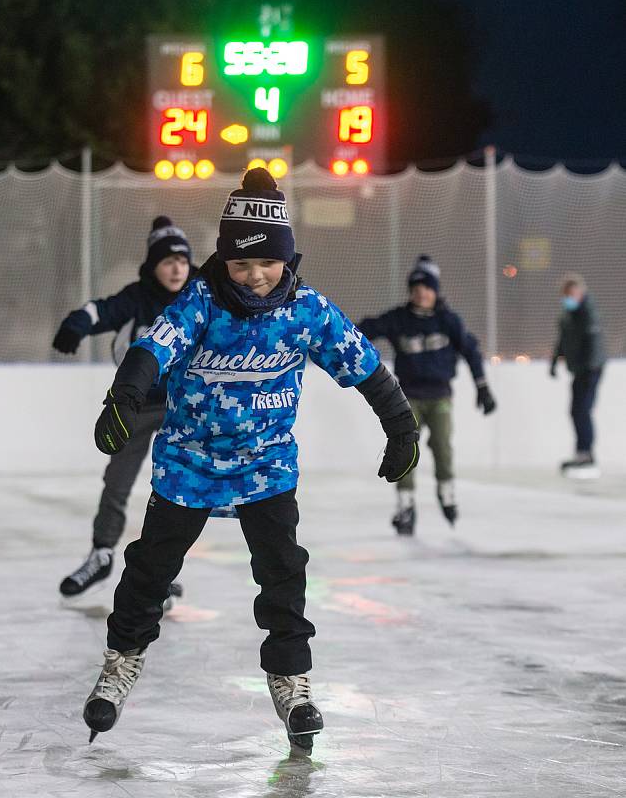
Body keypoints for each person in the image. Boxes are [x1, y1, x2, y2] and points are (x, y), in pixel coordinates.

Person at [81, 167, 420, 753]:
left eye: (267, 263)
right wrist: (124, 396)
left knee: (283, 571)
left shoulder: (306, 310)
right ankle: (121, 661)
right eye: (241, 264)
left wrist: (400, 426)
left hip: (266, 467)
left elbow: (363, 364)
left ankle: (290, 678)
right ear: (225, 262)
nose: (255, 275)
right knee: (150, 570)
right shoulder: (201, 303)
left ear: (287, 260)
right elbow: (151, 348)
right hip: (189, 465)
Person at [52, 216, 195, 601]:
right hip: (136, 405)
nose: (177, 268)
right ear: (153, 266)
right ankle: (101, 553)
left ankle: (158, 570)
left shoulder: (199, 295)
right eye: (168, 261)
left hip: (184, 409)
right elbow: (100, 310)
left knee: (174, 490)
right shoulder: (137, 297)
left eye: (182, 260)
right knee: (117, 481)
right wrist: (75, 324)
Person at [358, 255, 496, 536]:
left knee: (442, 446)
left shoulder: (448, 321)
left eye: (427, 288)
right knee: (407, 448)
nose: (422, 293)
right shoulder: (399, 319)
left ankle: (447, 496)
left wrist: (482, 387)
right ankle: (406, 507)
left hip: (440, 396)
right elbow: (365, 329)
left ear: (435, 290)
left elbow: (471, 351)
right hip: (407, 397)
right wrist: (339, 338)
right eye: (416, 288)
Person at [550, 272, 606, 477]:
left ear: (580, 292)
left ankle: (587, 454)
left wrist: (590, 368)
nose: (569, 298)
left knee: (583, 409)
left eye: (572, 293)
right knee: (575, 410)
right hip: (579, 370)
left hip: (591, 369)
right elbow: (562, 340)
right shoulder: (567, 316)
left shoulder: (588, 312)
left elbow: (594, 342)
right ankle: (581, 452)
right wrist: (555, 361)